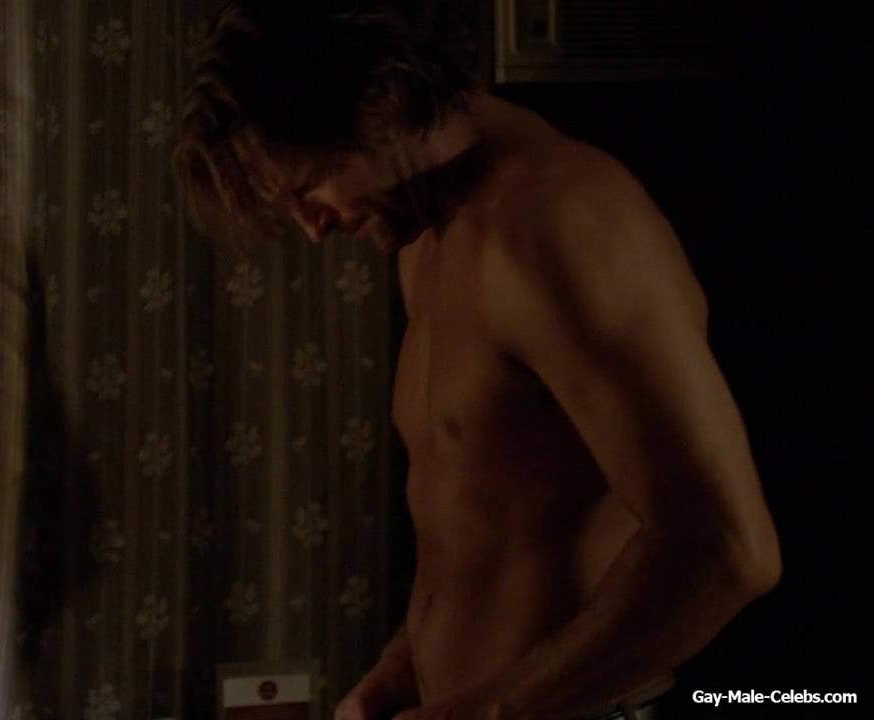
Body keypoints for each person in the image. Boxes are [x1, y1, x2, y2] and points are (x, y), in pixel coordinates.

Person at [173, 2, 782, 719]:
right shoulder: (429, 236)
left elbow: (727, 549)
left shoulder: (557, 222)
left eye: (309, 187)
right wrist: (396, 675)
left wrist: (488, 713)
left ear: (382, 106)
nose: (314, 230)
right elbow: (486, 523)